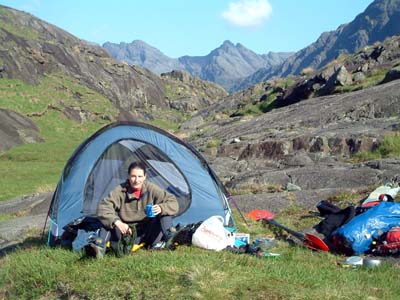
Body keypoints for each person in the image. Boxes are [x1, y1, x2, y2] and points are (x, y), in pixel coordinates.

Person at [85, 161, 180, 258]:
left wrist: (161, 207)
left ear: (145, 177)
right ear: (128, 176)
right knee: (108, 221)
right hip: (126, 233)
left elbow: (173, 203)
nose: (136, 180)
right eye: (133, 176)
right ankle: (100, 247)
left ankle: (169, 240)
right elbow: (103, 207)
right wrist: (116, 221)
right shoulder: (120, 190)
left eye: (140, 176)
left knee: (165, 213)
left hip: (147, 232)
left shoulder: (151, 188)